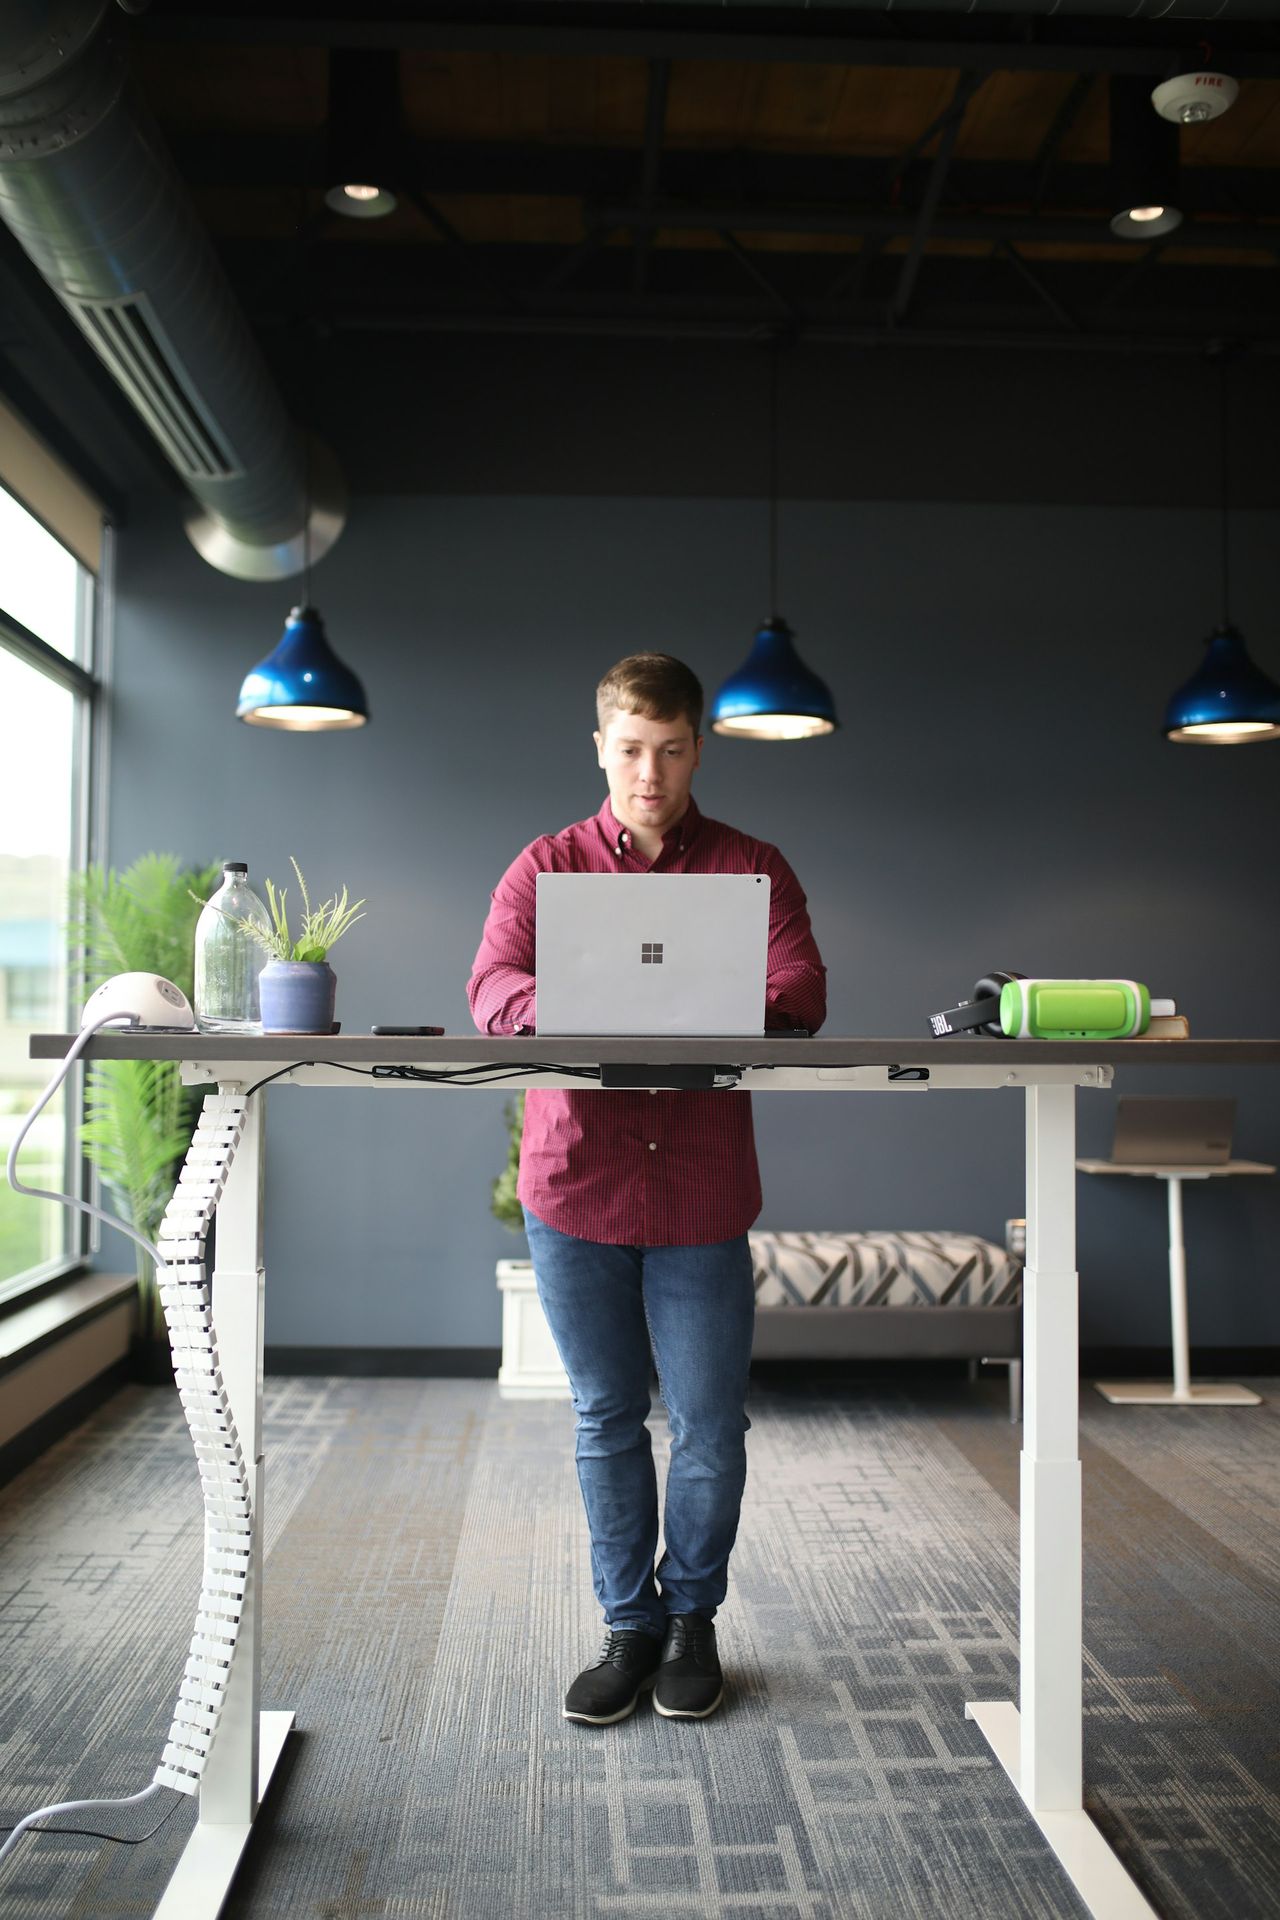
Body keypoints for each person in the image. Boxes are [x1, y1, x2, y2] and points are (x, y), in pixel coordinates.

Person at [467, 652, 826, 1726]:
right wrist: (585, 1001)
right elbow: (492, 989)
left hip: (703, 1193)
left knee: (711, 1424)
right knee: (604, 1415)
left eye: (670, 751)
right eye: (630, 750)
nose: (649, 772)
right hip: (576, 1182)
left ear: (696, 750)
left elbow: (800, 987)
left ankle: (691, 1621)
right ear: (599, 747)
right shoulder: (545, 866)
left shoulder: (750, 867)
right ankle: (626, 1627)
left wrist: (718, 1001)